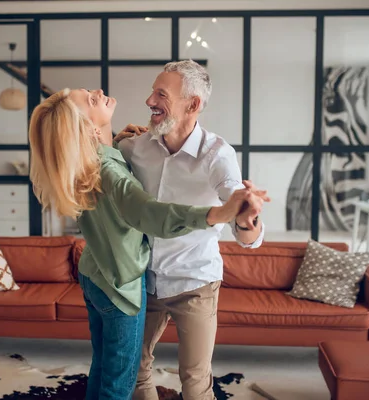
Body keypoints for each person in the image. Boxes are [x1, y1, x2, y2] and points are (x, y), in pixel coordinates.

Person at [28, 88, 262, 400]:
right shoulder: (108, 166)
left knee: (102, 367)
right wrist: (217, 214)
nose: (98, 92)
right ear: (87, 127)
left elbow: (107, 181)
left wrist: (112, 138)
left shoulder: (82, 160)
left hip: (94, 274)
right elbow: (148, 213)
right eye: (91, 100)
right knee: (119, 383)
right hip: (119, 286)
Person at [114, 60, 269, 400]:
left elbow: (243, 220)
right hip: (144, 280)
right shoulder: (135, 148)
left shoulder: (217, 154)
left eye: (160, 93)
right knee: (136, 372)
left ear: (193, 104)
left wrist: (245, 216)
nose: (148, 100)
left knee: (196, 381)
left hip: (195, 281)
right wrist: (112, 138)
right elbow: (103, 161)